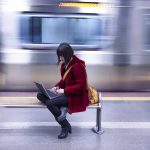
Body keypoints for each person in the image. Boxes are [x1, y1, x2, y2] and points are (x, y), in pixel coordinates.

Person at [37, 42, 89, 139]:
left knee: (50, 103)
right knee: (40, 95)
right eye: (59, 56)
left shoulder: (78, 66)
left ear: (68, 55)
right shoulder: (64, 65)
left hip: (76, 96)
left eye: (62, 56)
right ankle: (62, 107)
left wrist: (64, 91)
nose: (60, 59)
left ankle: (65, 125)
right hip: (67, 93)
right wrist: (56, 87)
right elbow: (64, 80)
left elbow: (81, 86)